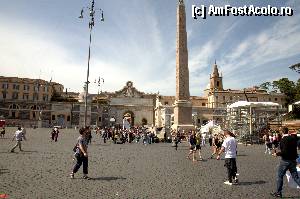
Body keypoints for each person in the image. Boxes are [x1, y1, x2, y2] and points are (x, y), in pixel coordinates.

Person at [270, 127, 300, 198]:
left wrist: (276, 154)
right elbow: (295, 150)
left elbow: (284, 152)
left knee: (279, 176)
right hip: (293, 160)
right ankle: (278, 192)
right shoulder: (292, 138)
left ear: (282, 132)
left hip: (285, 161)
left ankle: (278, 193)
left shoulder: (283, 139)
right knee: (295, 177)